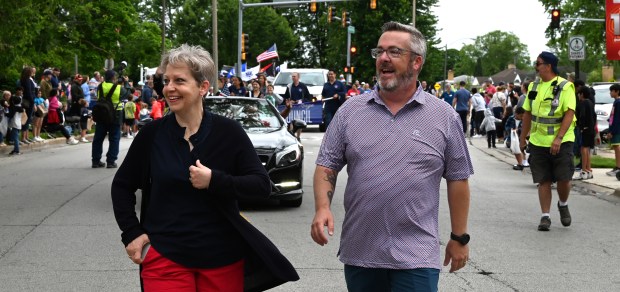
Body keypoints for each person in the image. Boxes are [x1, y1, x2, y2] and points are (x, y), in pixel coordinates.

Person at [111, 44, 298, 291]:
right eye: (166, 81)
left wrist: (215, 181)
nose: (169, 88)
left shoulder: (228, 132)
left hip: (222, 258)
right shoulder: (152, 135)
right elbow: (122, 186)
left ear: (203, 87)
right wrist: (132, 233)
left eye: (179, 80)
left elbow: (261, 186)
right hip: (164, 256)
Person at [310, 22, 473, 292]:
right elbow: (327, 165)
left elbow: (458, 180)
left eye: (394, 52)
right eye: (380, 52)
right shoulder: (350, 112)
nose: (383, 58)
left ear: (416, 62)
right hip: (361, 251)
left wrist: (460, 237)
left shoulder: (443, 116)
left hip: (417, 255)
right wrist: (322, 207)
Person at [519, 51, 576, 232]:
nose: (536, 66)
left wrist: (558, 138)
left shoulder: (566, 86)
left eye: (539, 63)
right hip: (538, 141)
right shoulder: (534, 87)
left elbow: (569, 113)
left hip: (562, 140)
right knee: (543, 180)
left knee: (564, 179)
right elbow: (527, 113)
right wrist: (522, 138)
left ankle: (563, 203)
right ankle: (545, 217)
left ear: (548, 66)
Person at [91, 70, 123, 169]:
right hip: (115, 116)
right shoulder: (118, 88)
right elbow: (127, 94)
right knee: (114, 139)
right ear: (113, 78)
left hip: (102, 115)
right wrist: (123, 83)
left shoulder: (100, 86)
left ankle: (95, 161)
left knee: (98, 138)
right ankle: (111, 161)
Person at [574, 86, 595, 180]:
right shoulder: (590, 103)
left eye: (579, 94)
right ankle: (588, 169)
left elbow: (582, 116)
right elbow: (594, 116)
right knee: (587, 149)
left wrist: (581, 127)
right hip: (590, 128)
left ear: (581, 94)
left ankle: (583, 171)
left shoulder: (582, 103)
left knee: (583, 149)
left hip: (584, 129)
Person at [606, 83, 620, 176]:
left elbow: (617, 118)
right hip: (614, 127)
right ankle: (617, 166)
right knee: (615, 147)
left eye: (611, 91)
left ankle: (618, 167)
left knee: (617, 147)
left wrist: (612, 131)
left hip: (617, 129)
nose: (610, 93)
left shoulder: (618, 102)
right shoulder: (616, 102)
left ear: (617, 91)